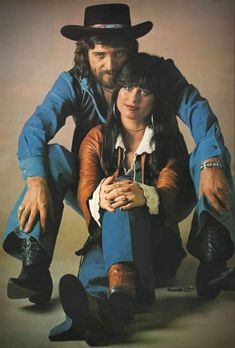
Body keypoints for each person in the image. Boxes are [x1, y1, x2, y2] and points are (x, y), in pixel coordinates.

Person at [2, 3, 234, 307]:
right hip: (97, 189)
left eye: (119, 53)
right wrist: (36, 181)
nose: (109, 65)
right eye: (99, 54)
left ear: (133, 51)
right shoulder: (72, 82)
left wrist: (212, 163)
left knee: (209, 155)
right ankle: (34, 267)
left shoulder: (160, 73)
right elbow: (35, 128)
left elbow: (200, 116)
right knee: (52, 157)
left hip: (167, 185)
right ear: (85, 54)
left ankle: (213, 260)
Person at [52, 53, 234, 346]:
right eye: (126, 88)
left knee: (125, 191)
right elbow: (86, 187)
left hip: (156, 246)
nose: (132, 98)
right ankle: (107, 314)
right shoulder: (96, 138)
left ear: (155, 100)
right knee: (97, 258)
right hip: (109, 245)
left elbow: (171, 194)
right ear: (116, 92)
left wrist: (144, 194)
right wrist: (101, 196)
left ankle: (111, 302)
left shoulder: (168, 144)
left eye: (144, 91)